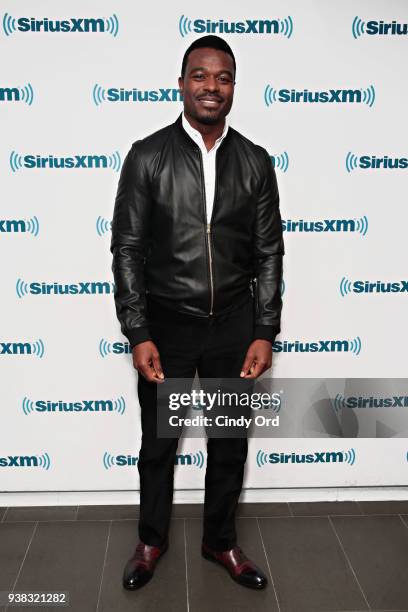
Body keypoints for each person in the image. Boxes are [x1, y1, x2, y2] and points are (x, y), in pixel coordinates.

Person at [110, 34, 284, 591]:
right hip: (168, 326)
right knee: (159, 445)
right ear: (182, 83)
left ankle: (220, 542)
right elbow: (128, 249)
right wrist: (138, 329)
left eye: (223, 77)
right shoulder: (148, 155)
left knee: (229, 443)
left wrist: (263, 329)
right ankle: (151, 540)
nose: (212, 86)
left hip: (234, 327)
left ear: (234, 87)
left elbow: (268, 252)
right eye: (201, 76)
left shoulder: (255, 162)